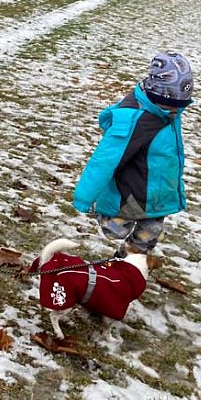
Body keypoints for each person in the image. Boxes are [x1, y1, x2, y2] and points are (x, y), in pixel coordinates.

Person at [73, 52, 194, 257]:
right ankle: (101, 210)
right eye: (172, 104)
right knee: (114, 230)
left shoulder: (169, 112)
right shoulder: (135, 121)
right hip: (130, 195)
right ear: (156, 95)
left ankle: (128, 261)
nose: (176, 110)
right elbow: (104, 160)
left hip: (159, 195)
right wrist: (84, 198)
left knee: (147, 237)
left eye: (181, 105)